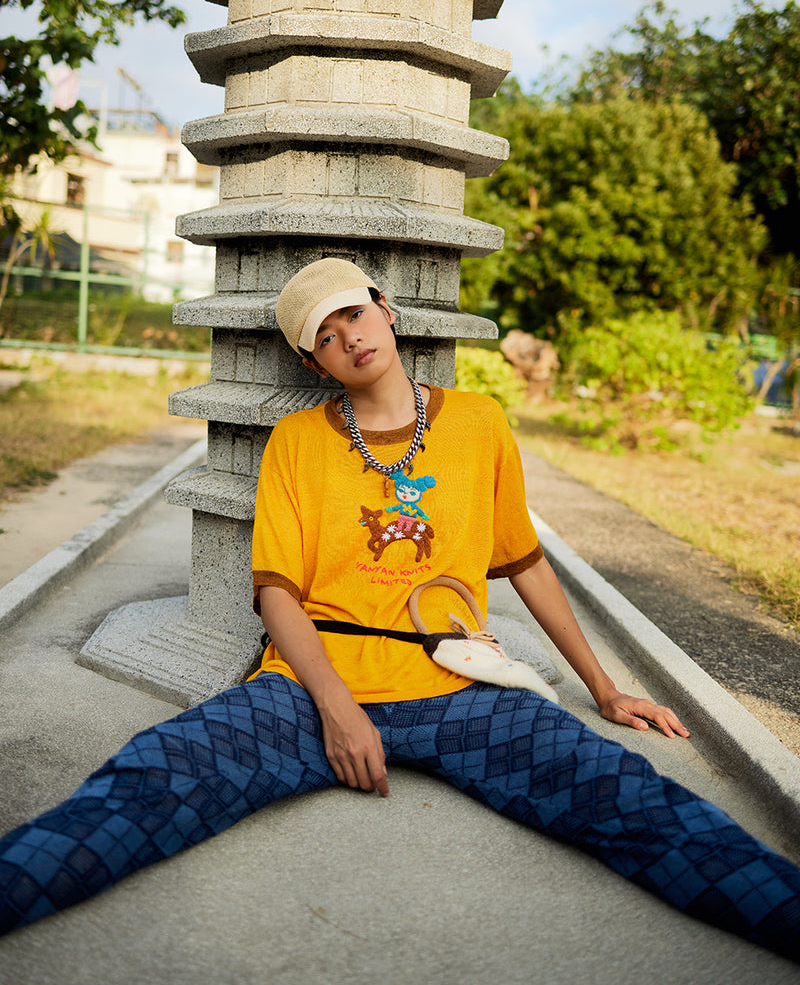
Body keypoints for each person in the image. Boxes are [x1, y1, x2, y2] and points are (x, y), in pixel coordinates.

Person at [0, 256, 798, 962]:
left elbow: (524, 563)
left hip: (461, 683)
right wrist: (337, 708)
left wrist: (604, 687)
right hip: (306, 690)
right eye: (324, 334)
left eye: (354, 310)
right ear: (313, 362)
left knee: (631, 801)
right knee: (150, 779)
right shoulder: (299, 443)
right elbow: (275, 591)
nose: (348, 335)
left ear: (387, 308)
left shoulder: (480, 422)